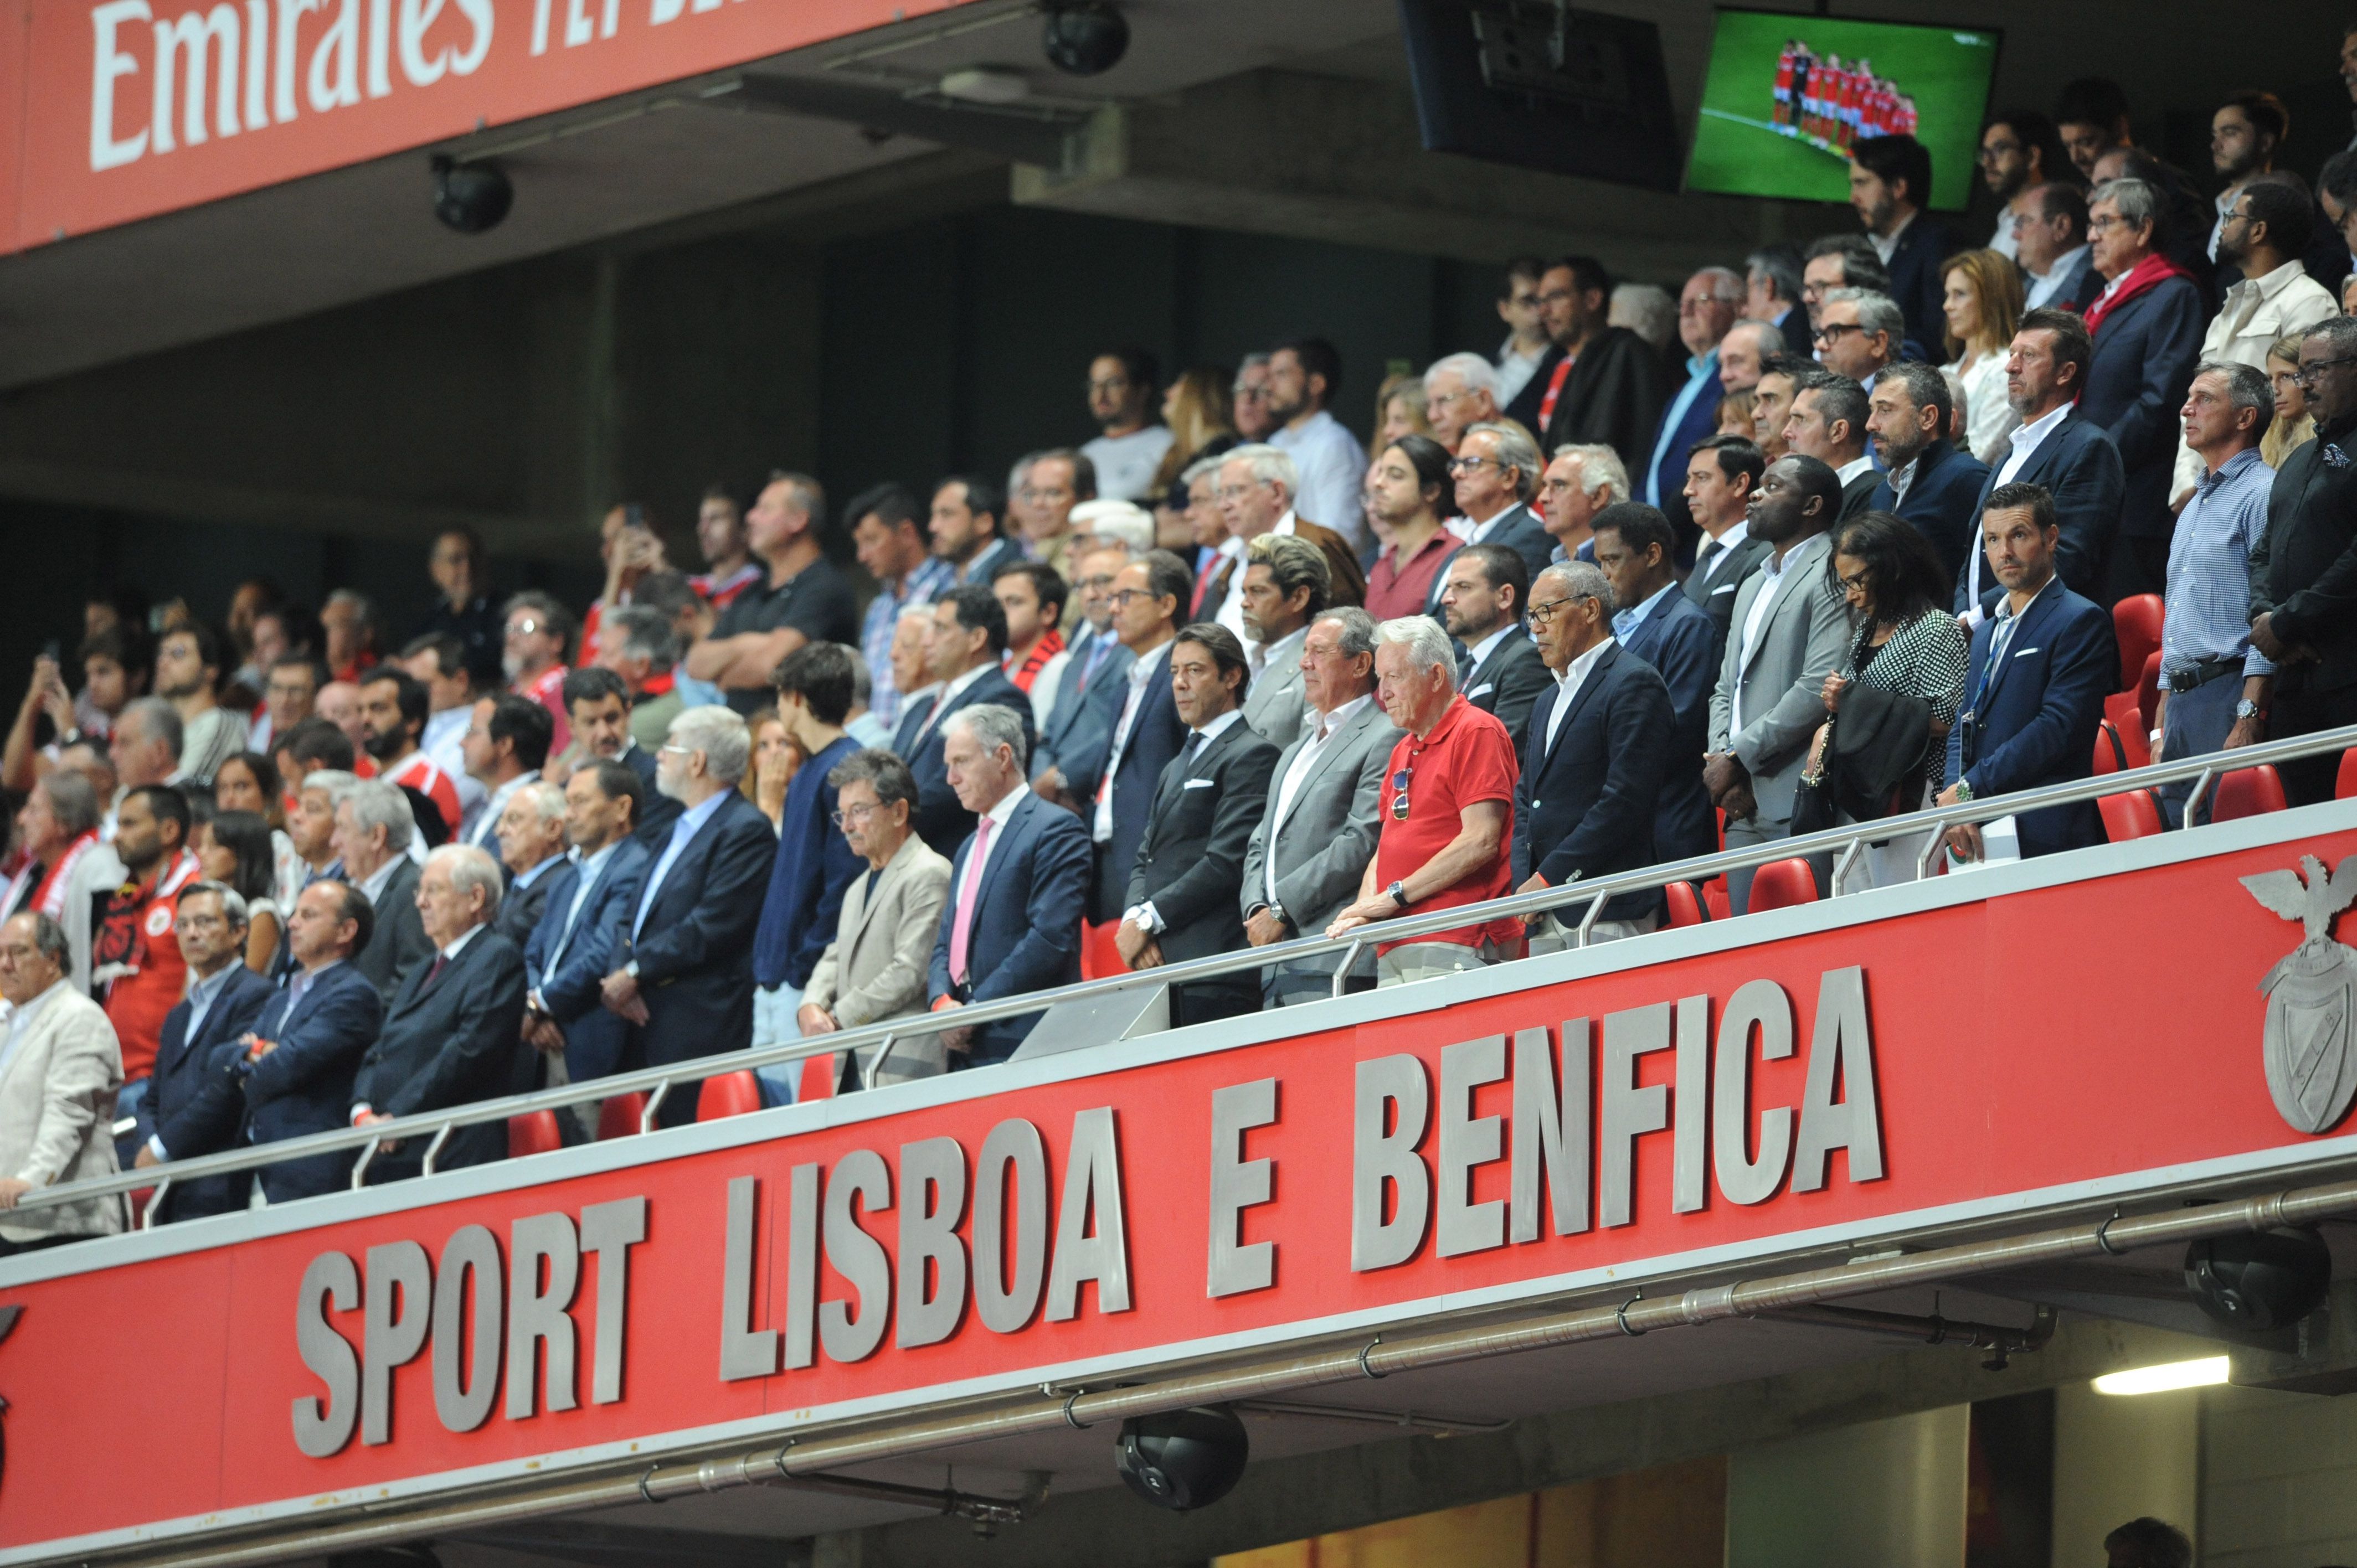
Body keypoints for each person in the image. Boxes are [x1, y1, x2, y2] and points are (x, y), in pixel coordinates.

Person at [603, 706, 775, 1123]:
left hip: (697, 1024)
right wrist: (620, 971)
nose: (658, 756)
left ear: (697, 761)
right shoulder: (672, 829)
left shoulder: (746, 829)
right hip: (643, 1015)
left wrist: (636, 972)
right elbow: (632, 914)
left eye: (669, 747)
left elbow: (712, 925)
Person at [1326, 617, 1520, 984]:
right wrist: (1365, 910)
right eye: (1380, 679)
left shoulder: (1475, 730)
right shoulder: (1402, 749)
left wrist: (1391, 898)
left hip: (1456, 932)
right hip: (1396, 941)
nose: (1383, 694)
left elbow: (1480, 841)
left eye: (1395, 677)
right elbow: (1387, 846)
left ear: (1435, 676)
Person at [1705, 455, 1851, 913]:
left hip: (1799, 793)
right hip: (1741, 800)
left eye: (1772, 486)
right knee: (1748, 954)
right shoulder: (1753, 581)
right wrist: (1724, 760)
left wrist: (1737, 757)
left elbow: (1816, 687)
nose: (1754, 494)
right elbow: (1726, 686)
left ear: (1811, 505)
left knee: (1814, 947)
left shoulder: (1833, 569)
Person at [1941, 484, 2116, 862]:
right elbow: (1963, 724)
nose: (2004, 552)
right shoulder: (1985, 632)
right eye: (1992, 539)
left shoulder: (2079, 619)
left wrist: (1973, 787)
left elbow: (2058, 726)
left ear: (2051, 538)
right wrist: (1957, 799)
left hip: (2048, 829)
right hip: (1982, 827)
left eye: (2018, 535)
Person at [1116, 625, 1280, 1025]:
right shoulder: (1175, 764)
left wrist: (1149, 919)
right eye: (1174, 672)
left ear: (1231, 677)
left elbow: (1226, 861)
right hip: (1159, 965)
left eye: (1194, 670)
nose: (1180, 684)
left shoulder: (1253, 754)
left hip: (1214, 968)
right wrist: (1134, 920)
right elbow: (1146, 857)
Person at [1511, 560, 1677, 945]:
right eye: (1531, 615)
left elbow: (1625, 801)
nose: (1535, 626)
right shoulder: (1547, 698)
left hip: (1608, 903)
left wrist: (1550, 877)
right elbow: (1526, 798)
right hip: (1543, 905)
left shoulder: (1633, 682)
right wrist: (1527, 880)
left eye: (1546, 612)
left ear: (1589, 610)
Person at [347, 845, 529, 1182]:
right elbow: (382, 1047)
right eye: (420, 891)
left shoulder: (496, 957)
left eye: (434, 890)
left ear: (475, 898)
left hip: (451, 1150)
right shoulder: (422, 969)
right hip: (389, 1146)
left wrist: (400, 1116)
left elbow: (469, 1050)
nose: (420, 903)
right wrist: (362, 1110)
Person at [1807, 513, 1970, 887]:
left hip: (1910, 794)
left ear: (1892, 569)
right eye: (1845, 584)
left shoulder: (1936, 628)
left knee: (1904, 914)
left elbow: (1947, 716)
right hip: (1859, 793)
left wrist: (1853, 700)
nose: (1850, 595)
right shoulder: (1866, 628)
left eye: (1857, 581)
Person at [928, 704, 1090, 1065]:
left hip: (1026, 1034)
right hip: (964, 1040)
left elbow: (1049, 939)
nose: (950, 778)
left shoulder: (1055, 829)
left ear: (1003, 757)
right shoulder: (969, 845)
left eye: (961, 762)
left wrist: (976, 1009)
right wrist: (942, 1002)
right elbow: (946, 943)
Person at [2152, 363, 2277, 828]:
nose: (2187, 408)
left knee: (2228, 846)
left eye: (2204, 398)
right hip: (2183, 705)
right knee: (2179, 857)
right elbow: (2177, 620)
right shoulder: (2192, 507)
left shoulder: (2261, 493)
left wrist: (2248, 713)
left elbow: (2268, 609)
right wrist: (2160, 723)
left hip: (2227, 693)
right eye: (2188, 397)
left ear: (2245, 418)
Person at [2168, 180, 2335, 510]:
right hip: (2209, 488)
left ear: (2258, 231)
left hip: (2265, 487)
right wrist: (2186, 480)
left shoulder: (2309, 302)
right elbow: (2197, 400)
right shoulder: (2229, 307)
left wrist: (2269, 489)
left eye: (2232, 217)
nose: (2223, 227)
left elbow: (2303, 412)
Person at [2078, 178, 2208, 600]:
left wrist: (2094, 460)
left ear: (2143, 229)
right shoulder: (2105, 301)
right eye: (2091, 223)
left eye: (2104, 223)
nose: (2091, 235)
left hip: (2137, 505)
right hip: (2099, 500)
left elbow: (2160, 400)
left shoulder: (2174, 295)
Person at [794, 750, 952, 1087]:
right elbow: (836, 956)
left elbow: (910, 971)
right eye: (842, 815)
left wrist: (836, 1018)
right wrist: (810, 1004)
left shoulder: (929, 872)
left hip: (901, 1064)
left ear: (899, 812)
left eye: (859, 812)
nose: (847, 826)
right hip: (851, 1062)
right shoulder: (857, 887)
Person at [2250, 317, 2357, 806]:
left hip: (2348, 674)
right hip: (2294, 678)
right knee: (2300, 835)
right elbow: (2263, 551)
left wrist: (2289, 621)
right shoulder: (2298, 459)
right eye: (2299, 372)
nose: (2304, 382)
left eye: (2316, 369)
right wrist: (2265, 619)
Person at [1958, 309, 2127, 615]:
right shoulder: (2011, 453)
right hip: (1985, 637)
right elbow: (1974, 551)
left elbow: (2067, 559)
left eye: (2029, 356)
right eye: (2012, 354)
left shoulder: (2088, 448)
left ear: (2065, 373)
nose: (2011, 367)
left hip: (2045, 637)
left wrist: (1980, 616)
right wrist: (1963, 615)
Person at [750, 644, 863, 1076]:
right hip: (778, 978)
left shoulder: (846, 771)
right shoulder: (810, 772)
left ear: (796, 698)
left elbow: (845, 883)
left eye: (780, 696)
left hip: (805, 984)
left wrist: (806, 966)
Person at [131, 880, 275, 1220]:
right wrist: (152, 1146)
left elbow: (226, 1092)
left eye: (205, 922)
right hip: (170, 1180)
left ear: (240, 932)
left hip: (220, 1174)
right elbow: (153, 1098)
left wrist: (161, 1148)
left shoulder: (257, 995)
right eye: (183, 925)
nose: (192, 933)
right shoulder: (179, 1014)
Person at [1591, 504, 1718, 866]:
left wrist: (1588, 754)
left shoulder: (1688, 625)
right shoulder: (1613, 626)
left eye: (1612, 561)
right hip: (1626, 827)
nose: (1604, 576)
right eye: (1599, 562)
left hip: (1668, 828)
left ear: (1652, 555)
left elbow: (1677, 730)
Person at [519, 759, 647, 1094]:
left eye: (580, 802)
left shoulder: (635, 868)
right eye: (567, 803)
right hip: (546, 1038)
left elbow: (603, 952)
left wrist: (541, 1005)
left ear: (621, 808)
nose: (569, 815)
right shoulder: (566, 878)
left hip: (593, 1042)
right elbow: (534, 953)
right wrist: (539, 1007)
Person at [0, 911, 125, 1254]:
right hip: (14, 1221)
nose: (5, 965)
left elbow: (69, 1113)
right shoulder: (8, 1026)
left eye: (18, 952)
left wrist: (31, 1181)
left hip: (64, 1220)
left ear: (52, 959)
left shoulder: (78, 1017)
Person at [686, 472, 860, 716]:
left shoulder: (824, 586)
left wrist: (724, 677)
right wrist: (744, 644)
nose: (750, 518)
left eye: (765, 510)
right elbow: (695, 663)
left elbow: (770, 665)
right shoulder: (753, 591)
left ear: (798, 521)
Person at [91, 783, 200, 1160]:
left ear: (169, 830)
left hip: (160, 1080)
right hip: (116, 1078)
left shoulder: (195, 891)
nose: (117, 836)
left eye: (130, 824)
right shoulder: (125, 896)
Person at [895, 585, 1035, 857]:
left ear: (976, 638)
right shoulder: (921, 706)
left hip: (957, 856)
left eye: (940, 629)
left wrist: (893, 821)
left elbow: (966, 782)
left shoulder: (1001, 698)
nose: (926, 642)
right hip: (907, 854)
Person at [1090, 551, 1191, 926]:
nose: (1113, 608)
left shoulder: (1183, 676)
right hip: (1108, 856)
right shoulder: (1126, 682)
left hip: (1154, 863)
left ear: (1166, 604)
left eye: (1126, 596)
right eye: (1111, 598)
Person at [1503, 256, 1666, 470]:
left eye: (1556, 297)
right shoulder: (1558, 364)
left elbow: (1642, 442)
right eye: (1541, 301)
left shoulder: (1628, 353)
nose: (1544, 311)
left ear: (1592, 300)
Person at [1210, 445, 1366, 632]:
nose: (1223, 505)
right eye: (1221, 494)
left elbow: (1345, 634)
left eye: (1235, 491)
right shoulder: (1234, 558)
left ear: (1277, 492)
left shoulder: (1317, 547)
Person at [1865, 361, 1993, 586]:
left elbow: (1990, 574)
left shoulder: (1967, 480)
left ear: (1928, 418)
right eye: (1872, 411)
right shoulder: (1882, 493)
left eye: (1885, 410)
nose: (1870, 424)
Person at [1644, 267, 1746, 548]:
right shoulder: (1688, 383)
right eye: (1682, 304)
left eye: (1700, 300)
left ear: (1736, 310)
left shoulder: (1732, 382)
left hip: (1693, 541)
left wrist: (1669, 528)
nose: (1686, 312)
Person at [1033, 540, 1139, 812]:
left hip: (1105, 799)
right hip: (1056, 805)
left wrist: (1062, 778)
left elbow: (1121, 727)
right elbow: (1049, 736)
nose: (1091, 594)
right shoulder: (1073, 662)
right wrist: (1043, 782)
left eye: (1103, 582)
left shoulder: (1138, 652)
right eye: (1082, 585)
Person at [848, 483, 954, 732]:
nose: (862, 556)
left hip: (926, 738)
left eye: (871, 540)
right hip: (877, 747)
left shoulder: (949, 588)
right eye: (859, 544)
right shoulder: (878, 607)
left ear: (907, 533)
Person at [4, 775, 116, 997]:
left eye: (34, 810)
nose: (22, 819)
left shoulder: (99, 869)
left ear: (64, 823)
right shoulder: (33, 873)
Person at [1437, 543, 1550, 760]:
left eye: (1463, 587)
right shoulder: (1461, 668)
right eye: (1449, 587)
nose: (1447, 599)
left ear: (1505, 597)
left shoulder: (1525, 661)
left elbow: (1500, 753)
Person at [1263, 338, 1370, 554]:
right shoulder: (1275, 442)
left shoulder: (1334, 445)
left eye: (1282, 374)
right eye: (1270, 376)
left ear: (1316, 385)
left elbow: (1338, 537)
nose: (1269, 387)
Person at [1847, 134, 1952, 351]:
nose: (1853, 197)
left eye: (1862, 183)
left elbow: (1936, 335)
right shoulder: (1858, 246)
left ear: (1898, 187)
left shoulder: (1937, 245)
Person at [337, 778, 433, 1004]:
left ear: (377, 836)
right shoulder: (351, 887)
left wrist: (351, 1021)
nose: (335, 841)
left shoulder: (413, 890)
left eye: (343, 829)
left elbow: (414, 979)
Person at [561, 666, 681, 847]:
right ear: (571, 725)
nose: (603, 733)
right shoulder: (564, 788)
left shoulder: (659, 779)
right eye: (591, 723)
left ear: (628, 713)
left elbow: (646, 853)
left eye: (612, 718)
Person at [1683, 435, 1772, 657]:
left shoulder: (1765, 555)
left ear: (1740, 484)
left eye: (1701, 478)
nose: (1688, 490)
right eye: (1688, 479)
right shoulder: (1709, 553)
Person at [1437, 422, 1555, 590]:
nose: (1456, 473)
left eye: (1471, 463)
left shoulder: (1531, 537)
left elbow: (1517, 614)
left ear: (1509, 477)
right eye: (1456, 464)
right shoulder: (1468, 540)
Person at [1238, 534, 1326, 752]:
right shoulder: (1247, 662)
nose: (1245, 603)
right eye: (1245, 592)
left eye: (1258, 592)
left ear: (1298, 598)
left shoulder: (1318, 667)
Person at [1939, 250, 2024, 468]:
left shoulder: (2008, 370)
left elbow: (1982, 451)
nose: (1947, 305)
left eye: (1960, 294)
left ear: (1991, 298)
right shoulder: (1943, 372)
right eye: (1947, 295)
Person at [356, 667, 461, 841]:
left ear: (412, 722)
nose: (365, 719)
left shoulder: (427, 785)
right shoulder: (373, 778)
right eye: (361, 710)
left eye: (379, 709)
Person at [1364, 435, 1461, 621]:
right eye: (1380, 474)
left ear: (1432, 490)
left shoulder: (1456, 560)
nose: (1379, 483)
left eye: (1396, 476)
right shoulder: (1381, 565)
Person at [153, 622, 247, 788]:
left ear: (211, 670)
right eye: (162, 653)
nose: (163, 663)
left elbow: (180, 795)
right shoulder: (163, 727)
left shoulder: (218, 723)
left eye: (178, 653)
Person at [459, 692, 553, 854]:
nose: (462, 743)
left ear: (505, 745)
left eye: (472, 732)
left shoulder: (535, 812)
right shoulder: (491, 802)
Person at [1078, 348, 1175, 502]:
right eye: (1094, 385)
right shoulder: (1083, 455)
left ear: (1143, 390)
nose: (1100, 395)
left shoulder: (1169, 445)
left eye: (1113, 383)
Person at [195, 808, 284, 974]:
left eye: (213, 846)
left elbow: (247, 985)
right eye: (201, 845)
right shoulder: (201, 910)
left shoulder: (260, 913)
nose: (201, 853)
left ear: (243, 852)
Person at [415, 528, 503, 689]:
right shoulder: (429, 621)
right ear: (436, 570)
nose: (467, 568)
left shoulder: (503, 614)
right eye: (456, 560)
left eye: (473, 559)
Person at [2207, 91, 2289, 265]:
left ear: (2265, 142)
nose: (2216, 145)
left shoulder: (2276, 211)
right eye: (2215, 135)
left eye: (2229, 133)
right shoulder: (2222, 206)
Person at [1782, 372, 1878, 518]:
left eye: (1800, 420)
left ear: (1838, 431)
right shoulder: (1807, 494)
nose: (1786, 432)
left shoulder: (1874, 495)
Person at [1978, 111, 2070, 258]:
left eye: (1999, 150)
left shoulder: (2051, 224)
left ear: (2032, 156)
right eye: (1985, 153)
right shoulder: (2005, 218)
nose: (1987, 162)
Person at [491, 780, 569, 947]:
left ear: (553, 829)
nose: (500, 831)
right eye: (501, 821)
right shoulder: (503, 878)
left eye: (513, 820)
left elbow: (507, 943)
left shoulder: (562, 884)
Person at [498, 590, 574, 756]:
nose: (512, 638)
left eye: (527, 629)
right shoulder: (512, 693)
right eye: (510, 629)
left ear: (557, 642)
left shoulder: (566, 694)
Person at [993, 561, 1069, 726]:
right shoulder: (1006, 667)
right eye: (997, 604)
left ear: (1048, 613)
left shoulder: (1061, 668)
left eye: (1014, 602)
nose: (999, 612)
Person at [1150, 365, 1238, 502]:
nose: (1167, 393)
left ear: (1200, 396)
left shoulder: (1223, 455)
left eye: (1179, 385)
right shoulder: (1178, 455)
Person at [2011, 182, 2099, 314]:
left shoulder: (2097, 281)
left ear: (2061, 226)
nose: (2015, 235)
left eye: (2023, 222)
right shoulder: (2023, 285)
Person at [1537, 442, 1628, 564]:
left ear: (1598, 496)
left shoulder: (1621, 568)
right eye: (1545, 486)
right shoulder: (1550, 559)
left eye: (1559, 485)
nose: (1542, 498)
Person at [1812, 287, 1900, 394]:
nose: (1820, 345)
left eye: (1835, 331)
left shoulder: (1900, 403)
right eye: (1822, 334)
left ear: (1878, 343)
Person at [689, 485, 763, 612]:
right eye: (702, 520)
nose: (704, 530)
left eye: (716, 519)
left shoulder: (761, 588)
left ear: (745, 530)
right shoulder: (692, 587)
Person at [1495, 257, 1552, 406]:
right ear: (1504, 310)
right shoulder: (1484, 366)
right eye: (1528, 301)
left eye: (1547, 300)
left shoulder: (1570, 364)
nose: (1541, 310)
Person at [1423, 352, 1503, 455]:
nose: (1433, 416)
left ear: (1483, 400)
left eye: (1444, 400)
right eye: (1429, 405)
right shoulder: (1438, 460)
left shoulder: (1512, 455)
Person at [2263, 329, 2317, 470]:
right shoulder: (2269, 438)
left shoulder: (2328, 440)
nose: (2274, 390)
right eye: (2270, 379)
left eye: (2286, 377)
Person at [1749, 352, 1809, 463]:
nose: (1755, 414)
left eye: (1770, 400)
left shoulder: (1818, 479)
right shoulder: (1758, 473)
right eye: (1758, 402)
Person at [1744, 245, 1805, 341]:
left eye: (1749, 288)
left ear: (1768, 287)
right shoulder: (1804, 325)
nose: (1744, 309)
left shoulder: (1788, 341)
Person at [320, 588, 379, 684]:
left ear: (365, 634)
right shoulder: (310, 674)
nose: (324, 632)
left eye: (335, 625)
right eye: (322, 625)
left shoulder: (373, 679)